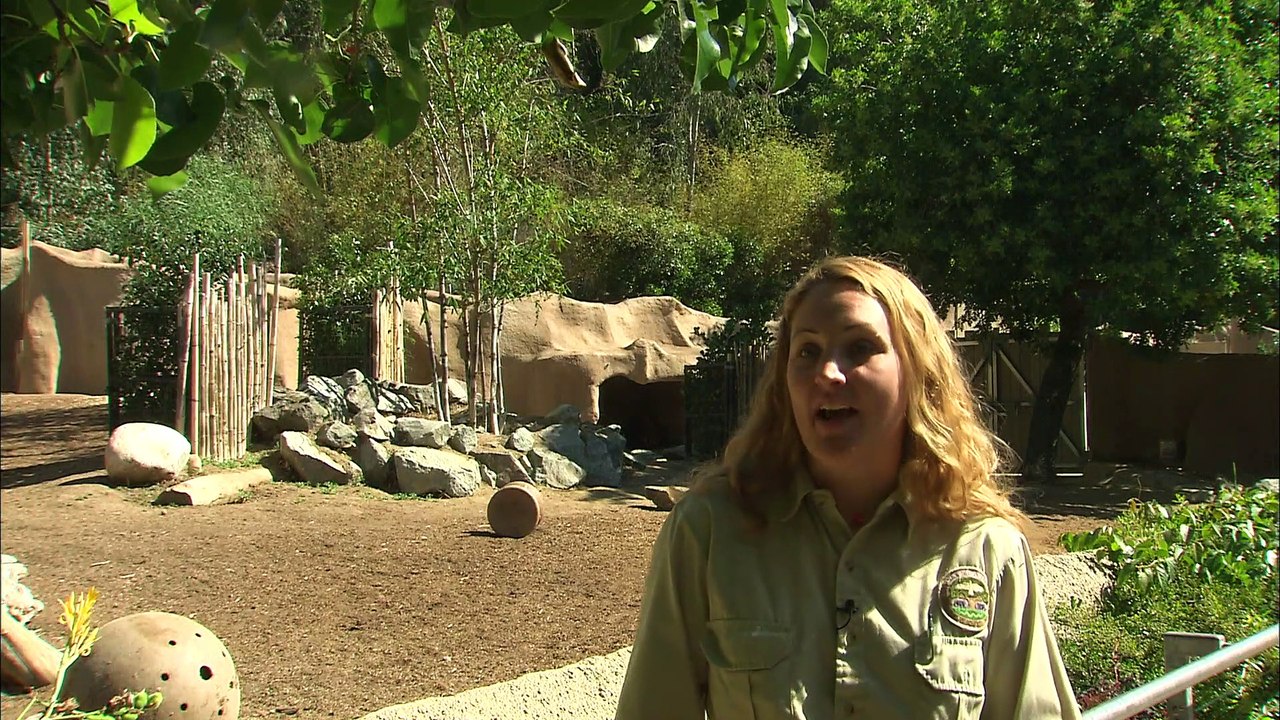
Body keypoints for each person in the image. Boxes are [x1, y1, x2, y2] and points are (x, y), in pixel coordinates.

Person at [614, 256, 1082, 720]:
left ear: (917, 372)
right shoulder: (708, 532)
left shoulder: (987, 549)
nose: (828, 374)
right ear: (784, 381)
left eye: (860, 348)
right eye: (808, 351)